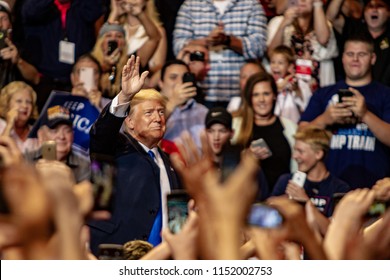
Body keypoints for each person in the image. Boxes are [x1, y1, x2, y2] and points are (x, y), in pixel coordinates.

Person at [87, 55, 181, 255]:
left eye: (161, 112)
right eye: (149, 113)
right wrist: (125, 97)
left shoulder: (170, 163)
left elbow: (176, 216)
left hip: (160, 258)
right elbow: (101, 133)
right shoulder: (115, 147)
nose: (157, 118)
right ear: (129, 122)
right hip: (115, 250)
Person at [300, 35, 390, 189]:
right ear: (342, 58)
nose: (355, 59)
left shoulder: (385, 94)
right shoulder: (323, 94)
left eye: (362, 54)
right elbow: (300, 134)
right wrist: (325, 119)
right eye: (350, 54)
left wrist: (365, 114)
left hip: (375, 189)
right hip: (329, 190)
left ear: (373, 58)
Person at [173, 0, 267, 108]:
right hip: (200, 93)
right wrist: (207, 41)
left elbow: (259, 48)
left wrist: (228, 40)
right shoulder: (190, 5)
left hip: (240, 95)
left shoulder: (251, 4)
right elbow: (178, 47)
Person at [16, 0, 104, 111]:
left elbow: (95, 11)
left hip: (77, 81)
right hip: (45, 83)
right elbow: (29, 11)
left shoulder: (80, 6)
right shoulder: (38, 7)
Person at [232, 72, 297, 191]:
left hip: (283, 199)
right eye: (256, 95)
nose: (261, 100)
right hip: (247, 199)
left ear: (274, 96)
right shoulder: (236, 126)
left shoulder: (290, 127)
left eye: (266, 94)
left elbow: (297, 168)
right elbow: (225, 165)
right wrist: (246, 156)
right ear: (250, 98)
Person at [272, 126, 350, 217]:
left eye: (300, 151)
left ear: (318, 154)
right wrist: (283, 202)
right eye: (295, 150)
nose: (294, 156)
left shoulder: (339, 188)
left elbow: (332, 228)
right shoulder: (286, 181)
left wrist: (307, 203)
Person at [267, 0, 338, 89]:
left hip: (318, 86)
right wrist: (283, 25)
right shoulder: (278, 22)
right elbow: (272, 54)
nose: (302, 1)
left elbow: (323, 40)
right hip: (287, 87)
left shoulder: (323, 24)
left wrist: (317, 6)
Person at [205, 106, 269, 200]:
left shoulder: (246, 167)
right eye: (211, 131)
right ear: (205, 133)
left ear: (232, 133)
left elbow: (262, 201)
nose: (216, 137)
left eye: (222, 131)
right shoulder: (200, 168)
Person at [327, 0, 390, 85]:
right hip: (350, 89)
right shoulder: (354, 28)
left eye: (380, 6)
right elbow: (331, 18)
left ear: (388, 13)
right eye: (370, 6)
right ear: (364, 12)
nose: (374, 9)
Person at [24, 105, 91, 183]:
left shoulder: (84, 166)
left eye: (67, 130)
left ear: (73, 135)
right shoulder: (26, 160)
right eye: (54, 131)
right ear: (41, 135)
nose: (62, 136)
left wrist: (68, 178)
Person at [159, 59, 208, 152]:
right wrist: (172, 103)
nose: (179, 82)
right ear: (161, 83)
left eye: (184, 77)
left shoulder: (202, 111)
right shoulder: (150, 109)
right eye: (173, 77)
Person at [108, 0, 164, 76]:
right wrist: (114, 13)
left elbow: (158, 67)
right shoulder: (117, 26)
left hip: (139, 80)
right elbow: (101, 48)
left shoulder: (156, 31)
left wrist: (140, 14)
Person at [0, 1, 39, 89]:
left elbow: (35, 78)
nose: (0, 24)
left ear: (10, 25)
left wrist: (18, 61)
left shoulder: (20, 48)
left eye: (4, 19)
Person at [269, 45, 312, 123]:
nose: (275, 66)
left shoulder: (298, 82)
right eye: (273, 62)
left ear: (290, 66)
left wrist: (296, 89)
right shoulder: (267, 83)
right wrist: (278, 88)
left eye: (280, 63)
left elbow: (306, 103)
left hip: (293, 123)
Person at [91, 22, 128, 98]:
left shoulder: (130, 64)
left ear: (124, 42)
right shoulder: (90, 61)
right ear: (101, 41)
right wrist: (105, 66)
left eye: (118, 36)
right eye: (108, 35)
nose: (113, 39)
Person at [0, 81, 39, 153]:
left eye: (28, 102)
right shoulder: (1, 125)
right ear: (7, 104)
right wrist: (9, 126)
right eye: (19, 101)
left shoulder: (36, 132)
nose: (24, 106)